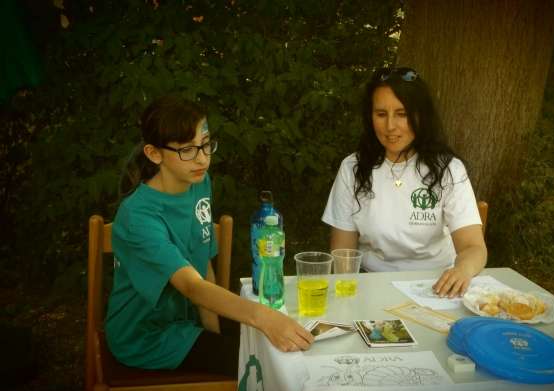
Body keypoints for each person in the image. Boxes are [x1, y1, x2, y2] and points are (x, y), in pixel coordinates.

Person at [105, 95, 313, 375]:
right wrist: (263, 318)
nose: (202, 159)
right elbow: (191, 285)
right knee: (267, 365)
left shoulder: (198, 183)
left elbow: (203, 263)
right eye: (187, 150)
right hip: (147, 338)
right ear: (154, 154)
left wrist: (215, 332)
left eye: (205, 145)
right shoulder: (137, 217)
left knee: (287, 345)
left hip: (190, 318)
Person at [322, 67, 487, 298]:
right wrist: (349, 297)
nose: (390, 126)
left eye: (402, 114)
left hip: (437, 286)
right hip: (372, 285)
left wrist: (462, 271)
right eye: (381, 114)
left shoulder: (449, 169)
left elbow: (474, 248)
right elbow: (342, 253)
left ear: (421, 116)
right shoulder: (353, 168)